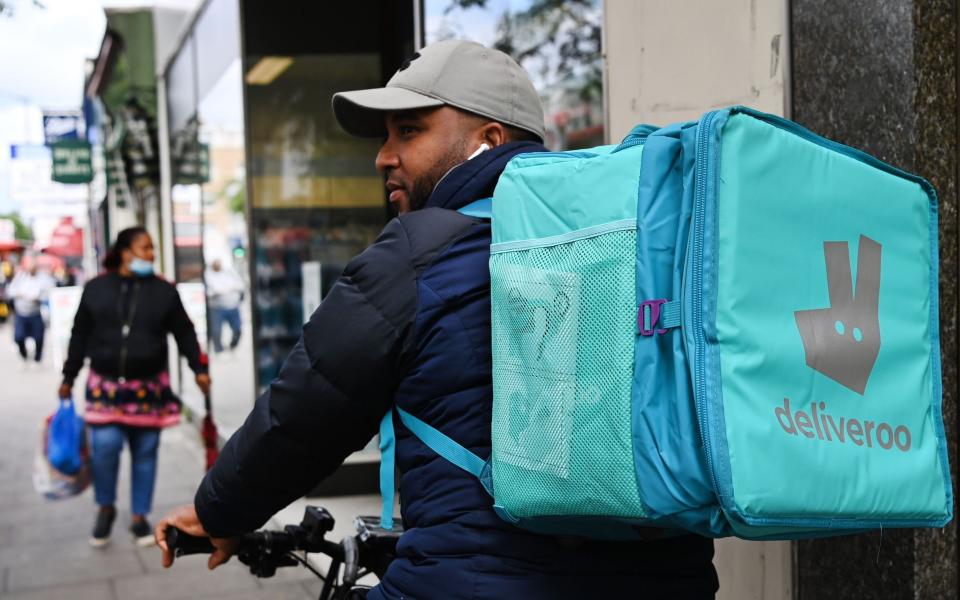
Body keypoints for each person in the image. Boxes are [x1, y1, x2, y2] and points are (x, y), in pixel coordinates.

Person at [156, 40, 719, 598]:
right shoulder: (628, 245)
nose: (384, 155)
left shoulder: (419, 251)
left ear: (488, 140)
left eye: (409, 131)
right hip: (670, 578)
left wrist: (218, 510)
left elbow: (303, 416)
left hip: (472, 581)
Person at [59, 227, 211, 547]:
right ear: (126, 252)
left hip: (149, 390)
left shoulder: (164, 291)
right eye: (146, 247)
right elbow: (79, 335)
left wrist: (198, 368)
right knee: (105, 448)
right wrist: (68, 377)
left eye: (153, 247)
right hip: (105, 389)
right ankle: (105, 507)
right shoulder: (96, 288)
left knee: (145, 453)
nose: (152, 254)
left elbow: (185, 332)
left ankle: (140, 516)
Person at [7, 258, 53, 363]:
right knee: (18, 337)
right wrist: (20, 294)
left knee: (39, 337)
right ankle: (23, 353)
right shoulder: (20, 277)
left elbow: (48, 292)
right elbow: (10, 291)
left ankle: (38, 356)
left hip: (35, 312)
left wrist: (38, 297)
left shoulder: (42, 278)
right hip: (21, 313)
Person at [205, 259, 244, 353]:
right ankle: (219, 350)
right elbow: (210, 291)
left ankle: (233, 345)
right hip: (216, 308)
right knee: (216, 331)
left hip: (233, 306)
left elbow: (240, 285)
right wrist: (219, 291)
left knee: (237, 329)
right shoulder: (208, 275)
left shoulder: (230, 273)